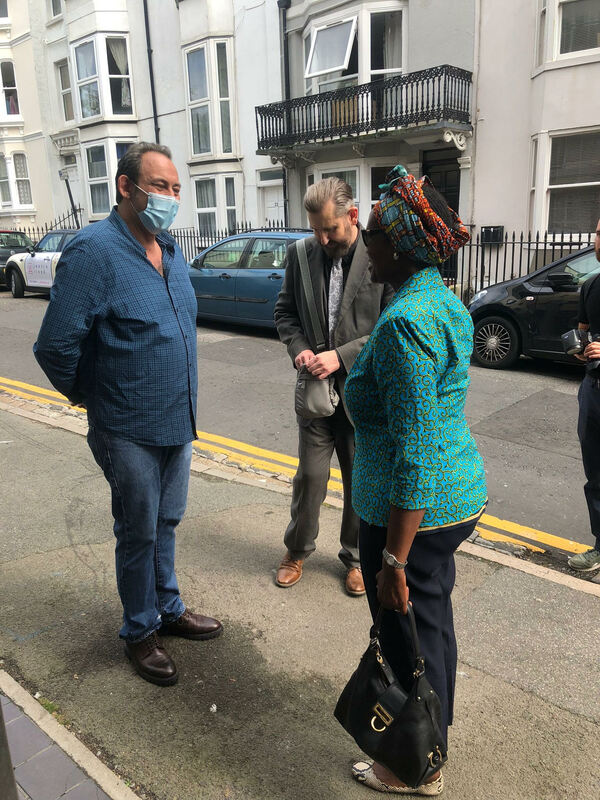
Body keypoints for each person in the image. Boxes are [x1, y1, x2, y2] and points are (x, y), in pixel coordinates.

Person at [33, 142, 222, 687]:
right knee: (138, 530)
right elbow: (55, 347)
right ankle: (140, 630)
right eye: (159, 186)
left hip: (177, 420)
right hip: (127, 428)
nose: (170, 197)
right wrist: (96, 398)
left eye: (176, 188)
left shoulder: (171, 250)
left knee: (167, 521)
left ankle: (168, 607)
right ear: (126, 186)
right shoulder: (94, 251)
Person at [344, 165, 487, 794]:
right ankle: (433, 744)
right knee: (431, 626)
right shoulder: (438, 298)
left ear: (400, 247)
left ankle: (411, 765)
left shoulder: (405, 324)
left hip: (412, 514)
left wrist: (393, 562)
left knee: (404, 636)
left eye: (372, 233)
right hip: (453, 498)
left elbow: (416, 453)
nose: (364, 243)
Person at [274, 177, 393, 596]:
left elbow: (390, 326)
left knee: (360, 481)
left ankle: (356, 558)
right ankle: (296, 550)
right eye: (316, 230)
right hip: (315, 393)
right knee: (310, 477)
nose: (323, 239)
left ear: (353, 216)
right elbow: (285, 313)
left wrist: (340, 356)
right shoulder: (300, 255)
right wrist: (300, 349)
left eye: (331, 229)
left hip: (363, 394)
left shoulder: (381, 255)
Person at [568, 217, 600, 572]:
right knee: (596, 474)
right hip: (593, 389)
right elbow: (584, 332)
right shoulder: (590, 286)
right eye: (599, 233)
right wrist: (579, 349)